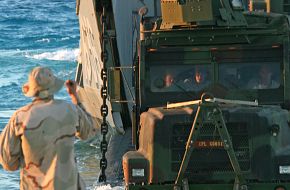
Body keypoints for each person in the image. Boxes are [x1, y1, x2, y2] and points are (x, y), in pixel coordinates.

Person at [0, 66, 97, 190]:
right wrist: (74, 97)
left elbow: (8, 163)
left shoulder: (20, 117)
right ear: (54, 87)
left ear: (31, 89)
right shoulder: (70, 110)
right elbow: (88, 132)